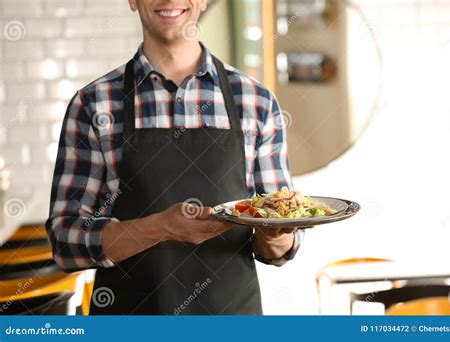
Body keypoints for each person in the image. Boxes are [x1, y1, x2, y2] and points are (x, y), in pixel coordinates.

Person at [46, 0, 304, 315]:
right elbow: (65, 242)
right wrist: (162, 227)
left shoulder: (256, 102)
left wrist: (276, 234)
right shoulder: (93, 104)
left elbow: (278, 247)